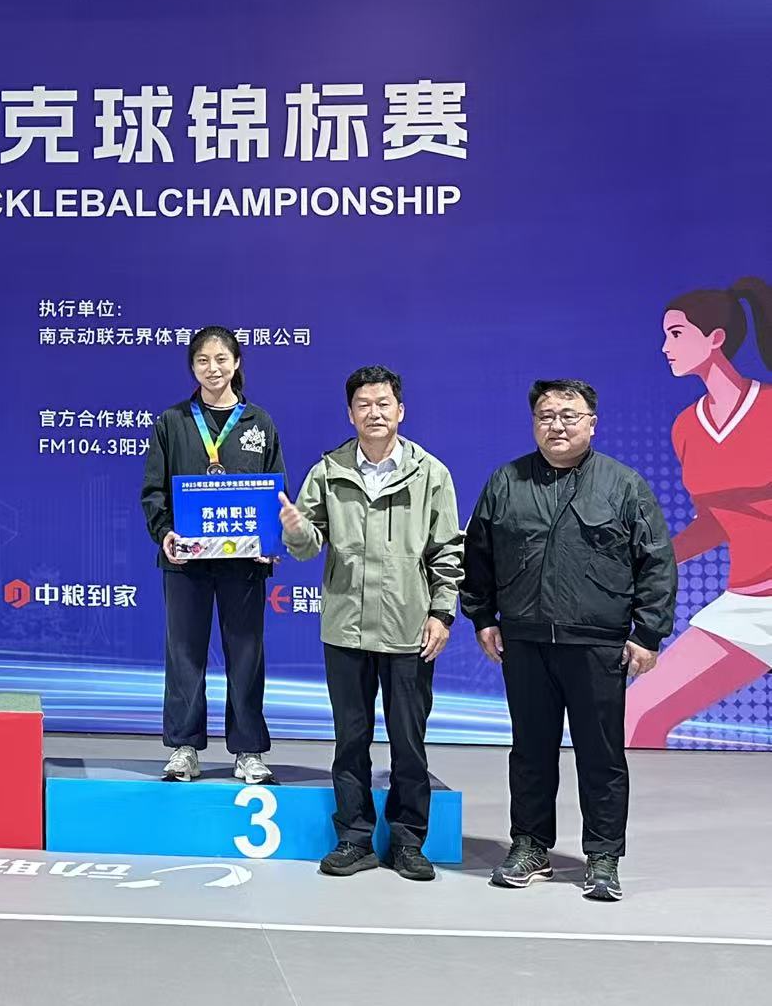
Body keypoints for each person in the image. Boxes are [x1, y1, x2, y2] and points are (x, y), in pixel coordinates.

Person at [462, 379, 676, 902]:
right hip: (525, 641)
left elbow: (655, 561)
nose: (556, 425)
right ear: (534, 423)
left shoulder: (623, 485)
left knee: (601, 755)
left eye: (569, 415)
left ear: (592, 424)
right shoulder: (506, 481)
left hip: (597, 644)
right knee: (530, 752)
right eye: (546, 416)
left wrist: (647, 633)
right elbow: (478, 554)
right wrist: (482, 616)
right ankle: (530, 846)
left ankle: (603, 856)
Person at [279, 366, 463, 882]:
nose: (374, 413)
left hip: (409, 629)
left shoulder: (431, 473)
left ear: (400, 410)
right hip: (346, 629)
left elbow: (448, 551)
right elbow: (308, 545)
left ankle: (408, 842)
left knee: (409, 742)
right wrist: (295, 530)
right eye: (364, 404)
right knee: (350, 740)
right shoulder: (329, 471)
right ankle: (354, 838)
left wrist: (442, 612)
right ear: (350, 413)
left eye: (383, 404)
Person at [627, 278, 772, 747]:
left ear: (715, 338)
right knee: (636, 715)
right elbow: (713, 523)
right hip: (750, 605)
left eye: (676, 334)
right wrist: (650, 560)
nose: (665, 347)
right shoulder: (687, 426)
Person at [141, 326, 285, 785]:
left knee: (246, 655)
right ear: (192, 366)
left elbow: (275, 492)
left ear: (236, 363)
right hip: (187, 562)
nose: (213, 368)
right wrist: (164, 533)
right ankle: (184, 747)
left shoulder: (258, 423)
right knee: (184, 653)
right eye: (203, 360)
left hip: (244, 565)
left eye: (221, 359)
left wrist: (270, 543)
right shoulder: (173, 421)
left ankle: (248, 750)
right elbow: (153, 490)